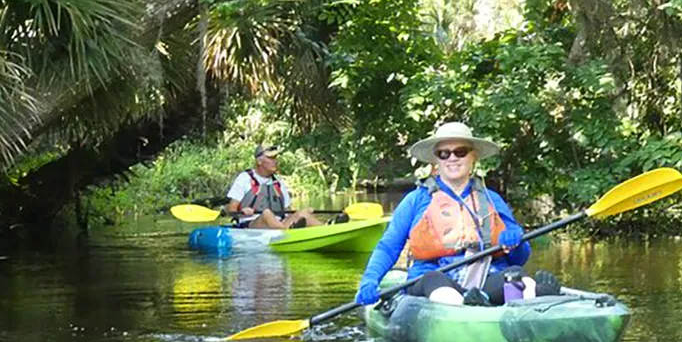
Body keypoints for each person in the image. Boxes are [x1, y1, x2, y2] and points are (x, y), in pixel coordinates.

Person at [355, 122, 555, 307]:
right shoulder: (416, 200)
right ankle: (468, 308)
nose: (452, 158)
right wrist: (370, 280)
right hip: (433, 280)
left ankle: (533, 298)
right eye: (444, 153)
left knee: (516, 275)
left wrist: (516, 244)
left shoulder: (491, 199)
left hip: (485, 277)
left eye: (460, 152)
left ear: (473, 157)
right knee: (434, 280)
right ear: (436, 160)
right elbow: (389, 246)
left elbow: (519, 257)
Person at [225, 144, 323, 230]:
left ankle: (327, 228)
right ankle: (287, 232)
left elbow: (288, 210)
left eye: (275, 158)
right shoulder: (244, 178)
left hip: (279, 223)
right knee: (267, 213)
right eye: (271, 158)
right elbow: (231, 208)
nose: (275, 161)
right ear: (259, 161)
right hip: (251, 225)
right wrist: (241, 212)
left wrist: (298, 214)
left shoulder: (278, 182)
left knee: (304, 213)